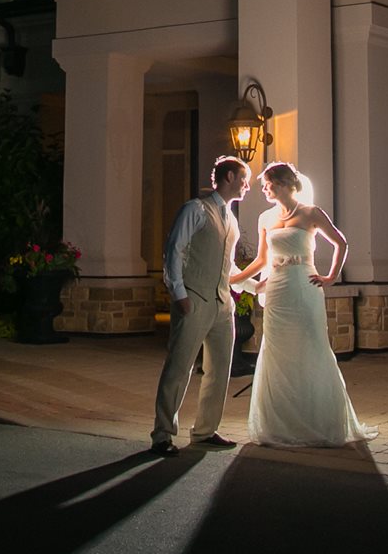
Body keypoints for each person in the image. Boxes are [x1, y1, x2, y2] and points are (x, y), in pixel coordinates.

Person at [231, 160, 376, 448]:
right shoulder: (264, 218)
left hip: (304, 284)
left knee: (311, 345)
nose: (265, 190)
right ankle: (279, 422)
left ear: (284, 183)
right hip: (277, 288)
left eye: (268, 184)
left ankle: (317, 420)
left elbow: (341, 243)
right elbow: (262, 260)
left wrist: (331, 276)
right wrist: (235, 278)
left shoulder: (311, 213)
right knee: (276, 351)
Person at [150, 156, 250, 456]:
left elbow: (226, 265)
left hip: (222, 305)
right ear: (229, 176)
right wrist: (179, 293)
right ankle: (162, 435)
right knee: (179, 367)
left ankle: (205, 431)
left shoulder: (231, 219)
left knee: (220, 370)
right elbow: (174, 249)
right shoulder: (195, 209)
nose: (247, 185)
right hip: (193, 300)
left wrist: (250, 287)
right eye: (244, 179)